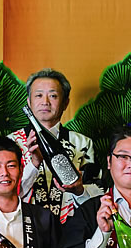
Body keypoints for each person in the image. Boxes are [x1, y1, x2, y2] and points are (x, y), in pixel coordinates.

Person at [13, 68, 101, 223]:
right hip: (24, 226)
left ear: (65, 103)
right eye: (38, 95)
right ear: (29, 102)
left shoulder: (82, 143)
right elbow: (5, 194)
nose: (45, 102)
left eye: (53, 96)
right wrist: (33, 165)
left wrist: (79, 189)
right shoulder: (12, 142)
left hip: (72, 227)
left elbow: (95, 195)